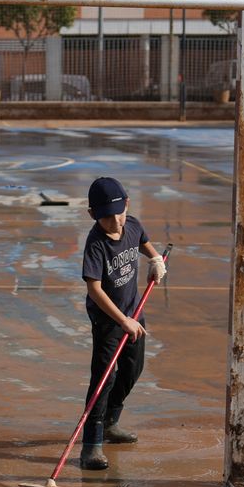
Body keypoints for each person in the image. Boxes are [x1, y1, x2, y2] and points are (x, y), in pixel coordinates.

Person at [78, 176, 169, 471]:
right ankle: (92, 444)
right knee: (104, 378)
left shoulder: (132, 225)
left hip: (133, 313)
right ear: (93, 215)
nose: (115, 222)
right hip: (108, 319)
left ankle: (111, 422)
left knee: (132, 369)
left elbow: (143, 242)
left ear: (127, 204)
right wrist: (123, 320)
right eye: (106, 217)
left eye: (119, 213)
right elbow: (94, 289)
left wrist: (156, 260)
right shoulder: (95, 244)